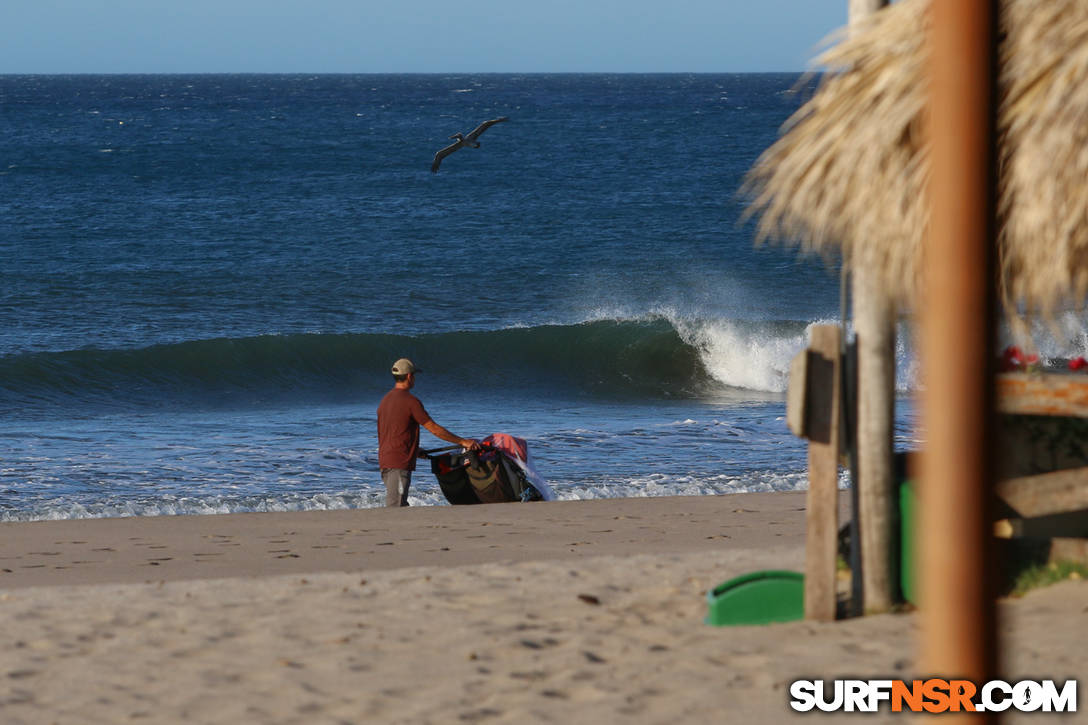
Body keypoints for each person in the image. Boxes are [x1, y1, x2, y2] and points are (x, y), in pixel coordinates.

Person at [376, 358, 479, 507]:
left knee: (400, 503)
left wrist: (414, 450)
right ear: (410, 376)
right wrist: (463, 442)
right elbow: (433, 428)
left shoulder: (385, 400)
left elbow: (388, 433)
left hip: (386, 460)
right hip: (399, 463)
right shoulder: (410, 401)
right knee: (395, 507)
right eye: (414, 376)